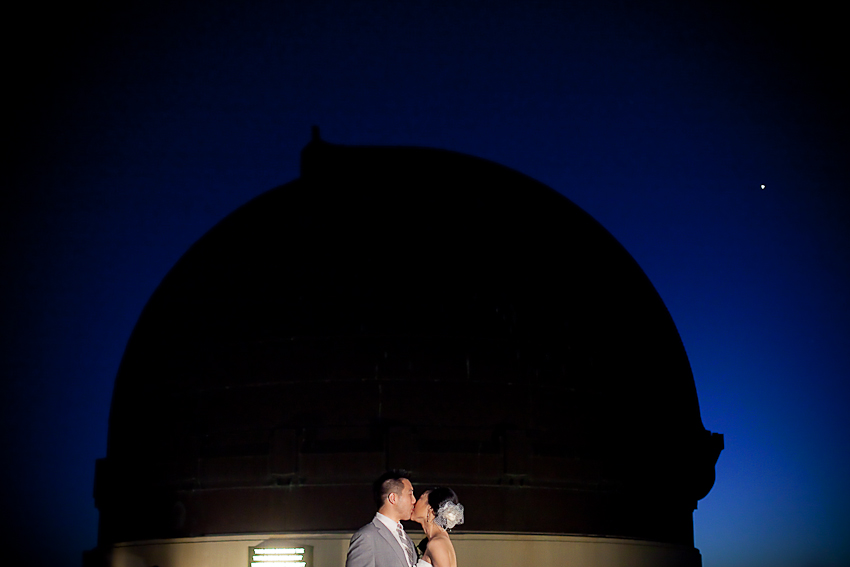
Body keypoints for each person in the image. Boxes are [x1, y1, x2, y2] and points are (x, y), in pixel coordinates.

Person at [346, 470, 419, 567]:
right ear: (393, 498)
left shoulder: (406, 539)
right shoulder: (367, 537)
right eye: (410, 494)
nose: (414, 500)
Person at [410, 487, 464, 567]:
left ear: (430, 509)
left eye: (421, 498)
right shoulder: (439, 539)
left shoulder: (436, 543)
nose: (414, 502)